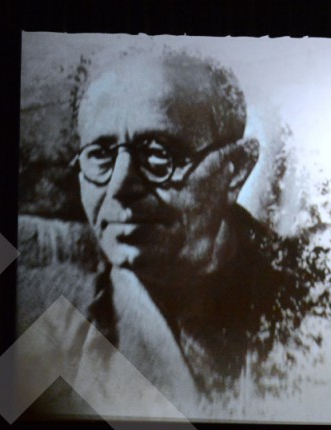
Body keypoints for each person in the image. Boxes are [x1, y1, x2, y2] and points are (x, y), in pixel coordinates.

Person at [68, 46, 309, 399]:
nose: (120, 186)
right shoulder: (60, 327)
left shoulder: (310, 302)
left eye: (158, 154)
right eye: (100, 156)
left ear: (235, 170)